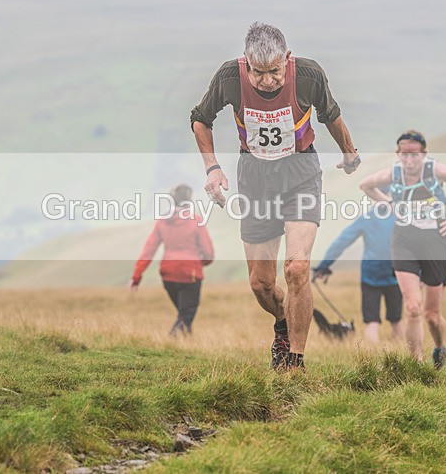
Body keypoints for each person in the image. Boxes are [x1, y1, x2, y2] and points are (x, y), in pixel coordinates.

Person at [190, 22, 360, 370]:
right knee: (261, 284)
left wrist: (349, 152)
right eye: (259, 73)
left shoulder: (309, 75)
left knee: (296, 269)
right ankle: (283, 323)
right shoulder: (229, 78)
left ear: (287, 58)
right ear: (246, 64)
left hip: (300, 174)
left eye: (275, 72)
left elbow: (331, 115)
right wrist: (212, 169)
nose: (268, 81)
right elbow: (200, 118)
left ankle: (295, 361)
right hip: (254, 179)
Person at [359, 130, 446, 369]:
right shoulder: (394, 174)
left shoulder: (435, 171)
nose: (409, 161)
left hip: (435, 242)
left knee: (432, 316)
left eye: (414, 155)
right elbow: (366, 185)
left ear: (423, 154)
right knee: (412, 307)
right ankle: (417, 366)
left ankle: (439, 347)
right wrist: (390, 204)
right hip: (404, 241)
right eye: (404, 155)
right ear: (398, 154)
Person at [312, 201, 405, 344]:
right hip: (395, 274)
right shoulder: (400, 217)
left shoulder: (366, 218)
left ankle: (371, 361)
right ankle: (403, 355)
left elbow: (342, 241)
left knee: (372, 321)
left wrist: (324, 266)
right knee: (396, 320)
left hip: (370, 275)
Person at [129, 184, 215, 337]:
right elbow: (208, 254)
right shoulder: (196, 220)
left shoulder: (162, 222)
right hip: (191, 274)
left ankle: (186, 344)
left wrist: (136, 277)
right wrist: (198, 263)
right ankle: (170, 342)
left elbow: (148, 250)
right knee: (186, 316)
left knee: (183, 314)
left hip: (168, 274)